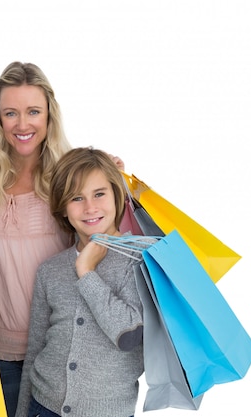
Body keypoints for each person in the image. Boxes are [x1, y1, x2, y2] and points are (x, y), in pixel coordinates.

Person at [0, 62, 124, 416]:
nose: (23, 124)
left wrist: (116, 181)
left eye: (33, 111)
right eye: (11, 113)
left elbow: (110, 242)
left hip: (62, 352)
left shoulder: (71, 179)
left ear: (49, 115)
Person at [15, 147, 152, 417]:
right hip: (43, 407)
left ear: (118, 195)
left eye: (99, 194)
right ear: (63, 209)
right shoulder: (50, 270)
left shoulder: (139, 260)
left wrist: (87, 272)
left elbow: (129, 334)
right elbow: (34, 352)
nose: (90, 208)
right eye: (76, 198)